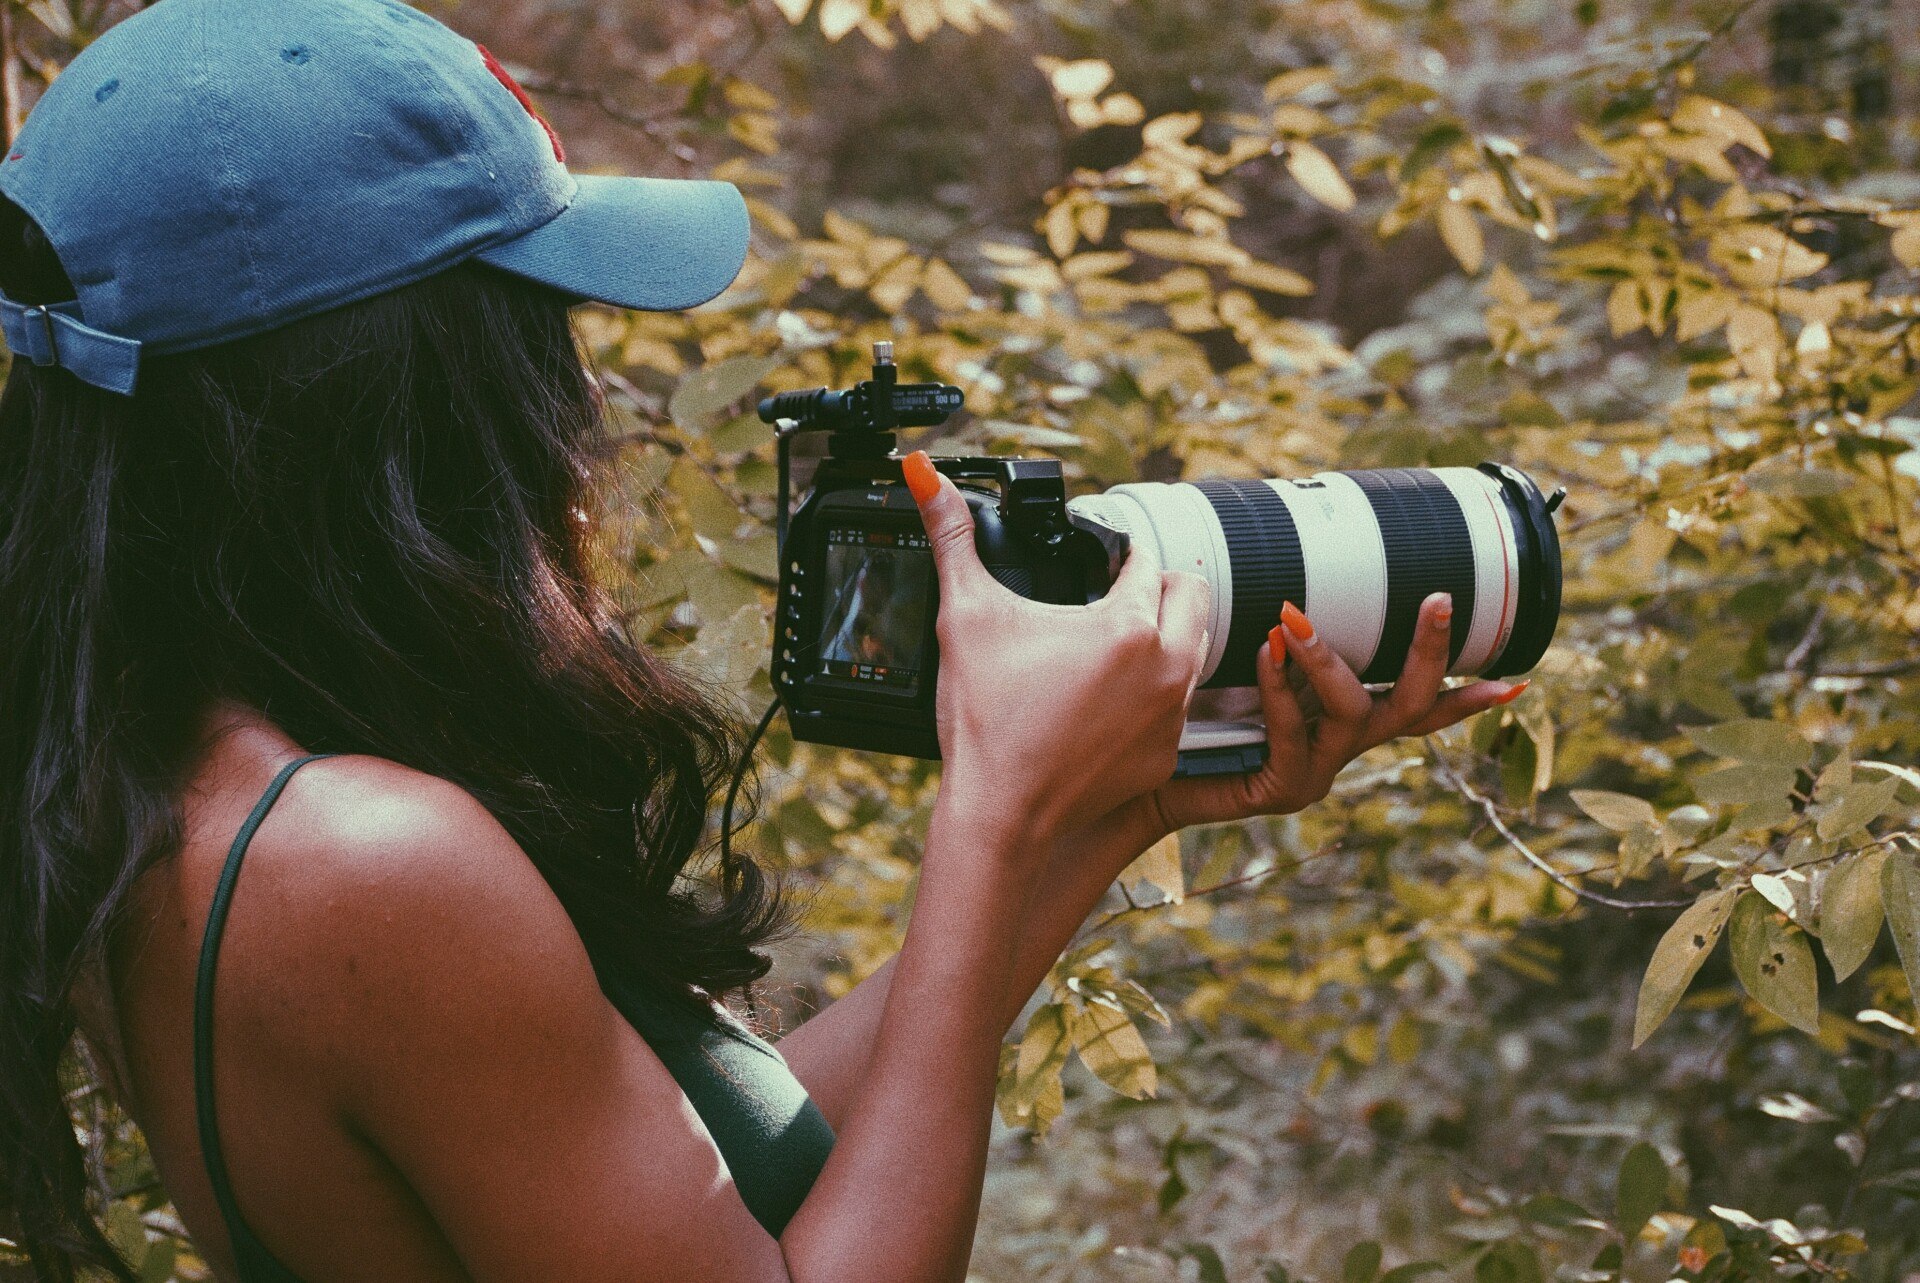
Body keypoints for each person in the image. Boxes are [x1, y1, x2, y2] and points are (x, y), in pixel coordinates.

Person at [0, 0, 1527, 1279]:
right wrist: (988, 813)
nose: (578, 404)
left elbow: (700, 1186)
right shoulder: (364, 863)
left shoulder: (179, 782)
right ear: (403, 407)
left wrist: (1084, 821)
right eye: (538, 330)